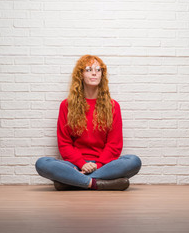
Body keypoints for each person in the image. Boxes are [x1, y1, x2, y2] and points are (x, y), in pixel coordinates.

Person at [35, 55, 142, 191]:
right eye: (88, 69)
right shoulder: (66, 105)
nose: (94, 73)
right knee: (42, 163)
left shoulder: (113, 106)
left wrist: (98, 164)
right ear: (81, 75)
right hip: (74, 165)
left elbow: (114, 145)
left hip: (103, 165)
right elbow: (64, 144)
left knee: (133, 161)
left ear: (102, 75)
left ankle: (72, 181)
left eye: (98, 70)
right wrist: (81, 163)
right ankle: (96, 183)